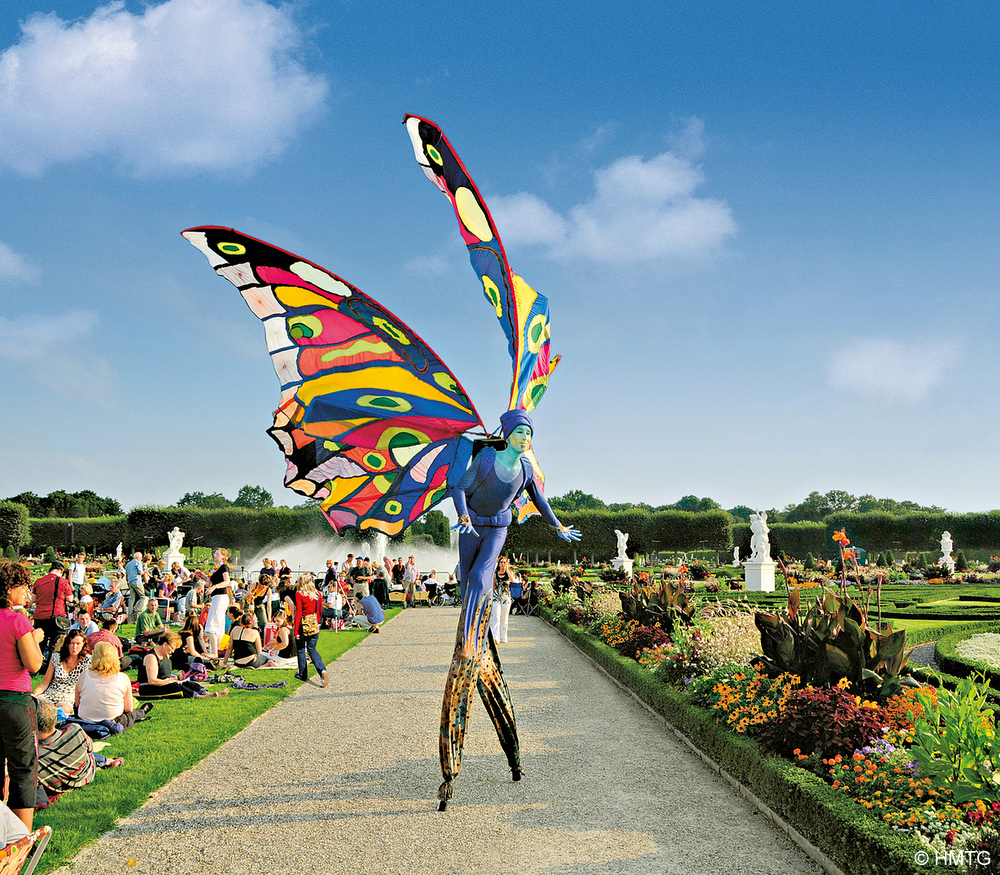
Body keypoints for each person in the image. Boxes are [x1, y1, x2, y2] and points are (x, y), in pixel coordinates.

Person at [438, 409, 580, 809]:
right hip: (471, 527)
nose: (523, 438)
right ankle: (473, 633)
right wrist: (463, 515)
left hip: (497, 526)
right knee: (468, 582)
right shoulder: (484, 458)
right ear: (505, 433)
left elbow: (541, 500)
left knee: (483, 579)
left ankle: (469, 636)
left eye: (527, 433)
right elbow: (458, 488)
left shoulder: (525, 470)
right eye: (518, 432)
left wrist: (558, 527)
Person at [0, 560, 45, 830]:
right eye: (23, 585)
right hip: (14, 700)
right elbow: (34, 664)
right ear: (9, 588)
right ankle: (20, 838)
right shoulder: (17, 620)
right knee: (22, 769)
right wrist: (35, 638)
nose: (27, 591)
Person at [36, 697, 123, 798]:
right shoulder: (75, 729)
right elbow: (89, 749)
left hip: (60, 784)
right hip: (85, 774)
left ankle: (106, 761)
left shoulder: (34, 754)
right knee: (81, 750)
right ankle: (107, 761)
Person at [75, 641, 151, 730]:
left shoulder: (84, 675)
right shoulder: (123, 678)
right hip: (114, 720)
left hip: (85, 719)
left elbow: (77, 703)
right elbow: (129, 709)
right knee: (131, 714)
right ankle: (141, 712)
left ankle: (140, 712)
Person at [138, 631, 226, 699]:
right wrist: (170, 681)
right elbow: (152, 681)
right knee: (177, 685)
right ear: (165, 644)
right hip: (149, 688)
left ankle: (206, 692)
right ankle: (199, 696)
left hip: (161, 684)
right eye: (172, 648)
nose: (172, 651)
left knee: (187, 682)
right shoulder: (151, 657)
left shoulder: (165, 655)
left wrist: (173, 678)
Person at [33, 629, 91, 711]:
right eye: (72, 643)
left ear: (83, 644)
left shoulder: (87, 661)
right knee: (38, 706)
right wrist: (34, 694)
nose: (74, 647)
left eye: (78, 644)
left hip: (68, 698)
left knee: (62, 709)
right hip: (50, 694)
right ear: (67, 644)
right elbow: (45, 682)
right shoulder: (56, 657)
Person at [292, 574, 328, 686]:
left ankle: (302, 674)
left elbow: (298, 613)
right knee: (312, 649)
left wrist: (296, 631)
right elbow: (320, 611)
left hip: (303, 624)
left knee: (301, 649)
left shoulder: (299, 594)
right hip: (315, 623)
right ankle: (322, 671)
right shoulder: (318, 594)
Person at [32, 560, 74, 655]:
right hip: (56, 616)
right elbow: (70, 598)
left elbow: (33, 599)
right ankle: (50, 667)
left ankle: (37, 667)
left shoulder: (39, 581)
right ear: (61, 571)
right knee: (55, 646)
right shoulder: (62, 581)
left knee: (39, 646)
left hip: (40, 617)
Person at [204, 549, 232, 657]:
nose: (215, 555)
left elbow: (226, 582)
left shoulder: (224, 567)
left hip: (220, 597)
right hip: (216, 597)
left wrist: (214, 587)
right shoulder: (216, 569)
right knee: (218, 624)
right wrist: (203, 576)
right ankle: (215, 650)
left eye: (217, 554)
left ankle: (214, 652)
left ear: (223, 556)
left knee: (212, 623)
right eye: (215, 553)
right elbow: (212, 581)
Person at [489, 557, 518, 644]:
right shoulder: (495, 574)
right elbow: (493, 587)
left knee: (504, 618)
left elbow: (513, 581)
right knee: (496, 617)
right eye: (501, 562)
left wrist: (508, 570)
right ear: (499, 564)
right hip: (496, 598)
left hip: (506, 598)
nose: (503, 564)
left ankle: (504, 636)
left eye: (504, 562)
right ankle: (495, 637)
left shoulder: (509, 574)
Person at [124, 551, 147, 622]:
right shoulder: (138, 563)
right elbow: (140, 572)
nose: (141, 558)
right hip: (137, 581)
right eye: (141, 557)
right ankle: (138, 610)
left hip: (130, 582)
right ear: (138, 557)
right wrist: (145, 571)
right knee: (143, 596)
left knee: (131, 598)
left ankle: (130, 614)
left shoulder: (128, 564)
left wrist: (128, 582)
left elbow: (126, 574)